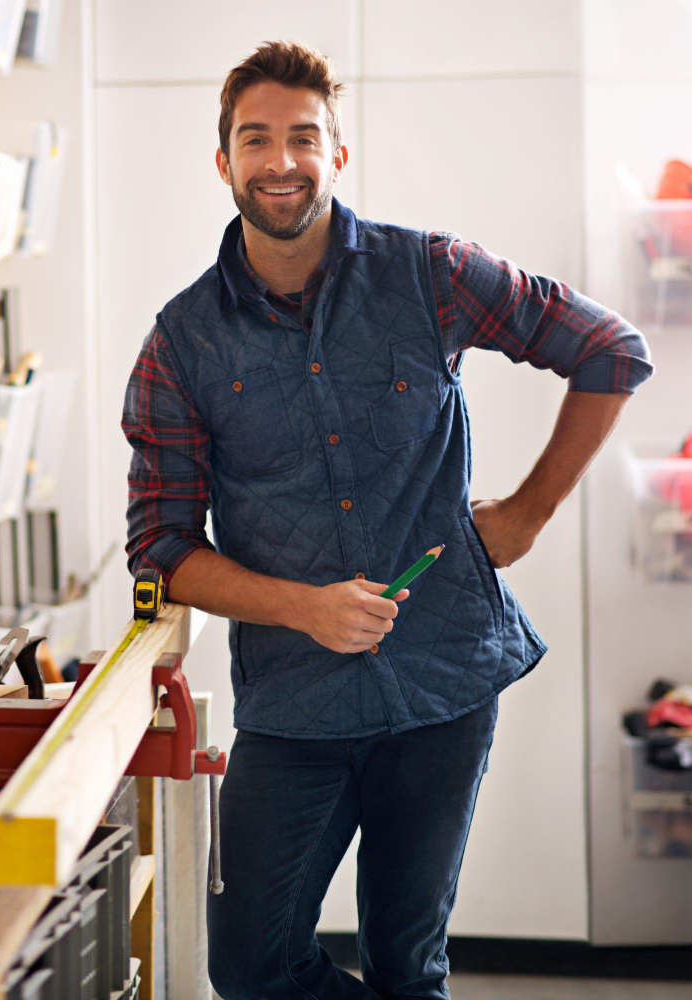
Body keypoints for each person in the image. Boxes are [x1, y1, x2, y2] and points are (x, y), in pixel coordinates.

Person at [122, 40, 653, 1000]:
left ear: (338, 153)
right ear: (224, 162)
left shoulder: (432, 274)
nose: (280, 160)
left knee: (410, 964)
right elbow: (162, 551)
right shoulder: (183, 341)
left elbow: (611, 350)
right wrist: (303, 608)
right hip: (295, 703)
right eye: (256, 139)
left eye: (303, 137)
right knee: (250, 964)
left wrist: (529, 513)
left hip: (445, 682)